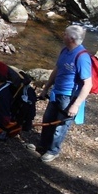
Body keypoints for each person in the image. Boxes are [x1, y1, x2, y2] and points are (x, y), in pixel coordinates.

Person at [36, 25, 92, 163]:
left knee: (60, 126)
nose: (62, 34)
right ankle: (43, 145)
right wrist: (46, 88)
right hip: (56, 93)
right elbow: (57, 69)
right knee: (48, 120)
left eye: (65, 33)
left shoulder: (82, 57)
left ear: (71, 39)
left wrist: (76, 105)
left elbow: (88, 84)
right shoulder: (65, 50)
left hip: (69, 97)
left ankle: (53, 151)